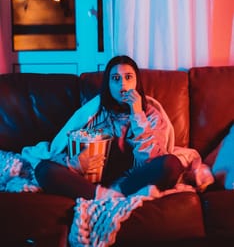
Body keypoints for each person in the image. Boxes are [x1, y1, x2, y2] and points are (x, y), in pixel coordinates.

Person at [35, 55, 184, 200]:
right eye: (116, 79)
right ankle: (105, 196)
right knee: (43, 169)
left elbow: (152, 159)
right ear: (108, 84)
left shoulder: (151, 115)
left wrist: (137, 114)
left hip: (134, 180)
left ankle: (116, 192)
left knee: (172, 164)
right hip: (95, 181)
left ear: (137, 82)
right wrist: (80, 162)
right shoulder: (96, 113)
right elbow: (72, 150)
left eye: (128, 77)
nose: (122, 85)